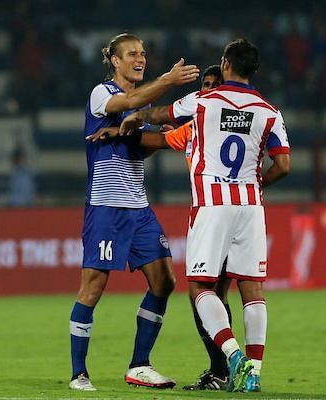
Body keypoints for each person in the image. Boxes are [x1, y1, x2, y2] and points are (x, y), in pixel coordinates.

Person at [119, 38, 291, 393]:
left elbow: (162, 114)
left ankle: (233, 357)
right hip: (251, 205)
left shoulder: (204, 101)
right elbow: (284, 165)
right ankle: (254, 371)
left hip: (213, 206)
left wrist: (136, 115)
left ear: (226, 63)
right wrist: (255, 184)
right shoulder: (269, 111)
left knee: (200, 287)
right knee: (253, 290)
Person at [87, 65, 232, 390]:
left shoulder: (205, 124)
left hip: (218, 216)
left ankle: (230, 366)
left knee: (208, 293)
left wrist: (142, 115)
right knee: (210, 291)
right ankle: (223, 370)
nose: (208, 90)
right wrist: (126, 132)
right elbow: (162, 139)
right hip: (235, 214)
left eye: (214, 85)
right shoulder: (198, 127)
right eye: (205, 85)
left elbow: (154, 118)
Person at [68, 32, 199, 392]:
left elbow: (149, 143)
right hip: (106, 207)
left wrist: (185, 131)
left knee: (165, 282)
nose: (139, 58)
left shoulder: (134, 113)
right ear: (114, 60)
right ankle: (79, 373)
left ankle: (139, 365)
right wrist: (169, 82)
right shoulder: (103, 94)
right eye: (131, 54)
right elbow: (134, 100)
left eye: (142, 53)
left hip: (138, 208)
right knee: (93, 288)